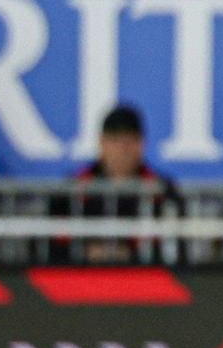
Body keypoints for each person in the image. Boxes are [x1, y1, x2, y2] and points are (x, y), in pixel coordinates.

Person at [66, 105, 181, 263]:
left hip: (144, 280)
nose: (123, 149)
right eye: (115, 140)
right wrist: (85, 250)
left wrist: (131, 255)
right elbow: (54, 240)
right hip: (81, 279)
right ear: (102, 143)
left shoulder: (160, 190)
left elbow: (175, 245)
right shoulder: (75, 187)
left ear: (141, 144)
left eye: (130, 141)